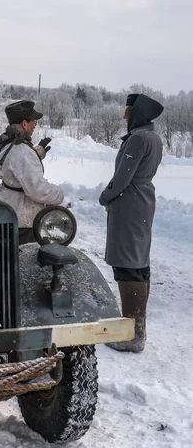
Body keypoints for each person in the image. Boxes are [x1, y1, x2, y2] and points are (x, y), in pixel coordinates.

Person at [99, 93, 164, 352]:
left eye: (127, 112)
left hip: (130, 203)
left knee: (127, 264)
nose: (125, 117)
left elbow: (123, 177)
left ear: (137, 112)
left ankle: (133, 336)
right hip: (142, 201)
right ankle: (138, 330)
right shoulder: (153, 136)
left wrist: (105, 196)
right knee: (139, 262)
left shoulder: (138, 138)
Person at [0, 100, 64, 244]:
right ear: (24, 124)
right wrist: (59, 194)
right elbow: (37, 190)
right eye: (33, 121)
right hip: (23, 223)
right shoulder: (23, 152)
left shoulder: (8, 144)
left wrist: (37, 152)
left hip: (10, 213)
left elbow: (17, 166)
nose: (35, 124)